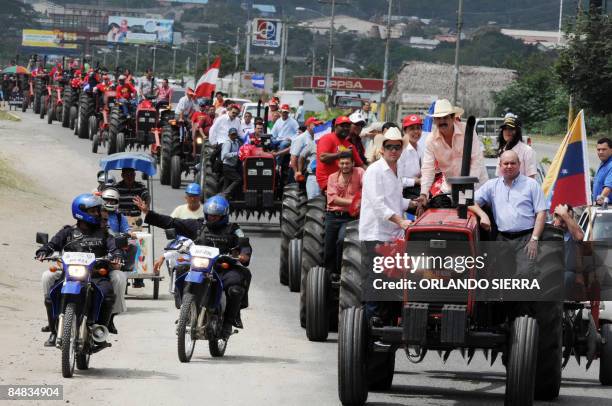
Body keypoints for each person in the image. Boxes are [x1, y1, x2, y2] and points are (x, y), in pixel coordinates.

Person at [134, 195, 252, 338]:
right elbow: (172, 222)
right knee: (181, 270)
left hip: (223, 268)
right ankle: (185, 311)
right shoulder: (198, 225)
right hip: (200, 265)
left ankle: (228, 322)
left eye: (216, 216)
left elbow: (244, 244)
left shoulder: (234, 229)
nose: (212, 218)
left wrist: (244, 254)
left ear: (224, 215)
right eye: (210, 215)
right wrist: (148, 212)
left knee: (235, 287)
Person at [35, 194, 122, 346]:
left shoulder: (104, 233)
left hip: (95, 274)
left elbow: (114, 247)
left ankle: (100, 331)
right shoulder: (68, 232)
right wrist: (43, 251)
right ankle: (54, 330)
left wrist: (117, 255)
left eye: (98, 211)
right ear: (82, 212)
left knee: (107, 295)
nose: (98, 214)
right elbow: (52, 244)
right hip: (69, 274)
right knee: (51, 296)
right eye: (94, 211)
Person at [359, 127, 414, 324]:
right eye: (389, 147)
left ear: (401, 150)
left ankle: (388, 321)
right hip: (376, 233)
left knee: (393, 281)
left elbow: (396, 201)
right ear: (382, 149)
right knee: (377, 280)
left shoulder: (397, 170)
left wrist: (414, 204)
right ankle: (369, 325)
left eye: (397, 147)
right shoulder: (374, 171)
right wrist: (401, 221)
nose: (393, 150)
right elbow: (379, 205)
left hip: (393, 234)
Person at [469, 150, 547, 263]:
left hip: (526, 238)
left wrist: (534, 239)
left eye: (513, 163)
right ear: (500, 166)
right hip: (502, 239)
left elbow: (541, 212)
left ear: (519, 164)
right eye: (505, 163)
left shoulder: (531, 184)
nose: (509, 166)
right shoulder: (492, 185)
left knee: (525, 274)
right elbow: (470, 201)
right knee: (502, 275)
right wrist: (483, 215)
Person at [417, 99, 488, 207]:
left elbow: (476, 161)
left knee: (482, 220)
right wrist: (423, 194)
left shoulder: (467, 130)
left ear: (453, 117)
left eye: (445, 117)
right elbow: (428, 169)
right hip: (450, 191)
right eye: (438, 118)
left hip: (476, 188)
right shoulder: (431, 140)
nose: (442, 121)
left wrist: (466, 188)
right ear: (435, 121)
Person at [324, 151, 364, 274]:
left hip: (350, 217)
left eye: (347, 163)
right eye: (342, 163)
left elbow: (367, 191)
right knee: (328, 247)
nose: (344, 166)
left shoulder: (360, 173)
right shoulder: (332, 177)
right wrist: (355, 201)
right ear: (338, 164)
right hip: (333, 216)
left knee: (342, 240)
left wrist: (360, 201)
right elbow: (334, 199)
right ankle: (329, 275)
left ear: (353, 163)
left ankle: (342, 272)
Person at [99, 188, 129, 319]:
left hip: (112, 250)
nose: (104, 223)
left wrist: (117, 255)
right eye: (101, 220)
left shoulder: (119, 217)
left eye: (106, 221)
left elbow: (125, 232)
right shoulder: (72, 230)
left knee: (118, 276)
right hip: (89, 258)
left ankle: (110, 316)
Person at [316, 116, 364, 191]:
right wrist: (342, 154)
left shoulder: (350, 145)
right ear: (335, 126)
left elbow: (361, 165)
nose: (346, 128)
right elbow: (323, 157)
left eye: (348, 126)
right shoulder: (327, 138)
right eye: (343, 126)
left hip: (344, 182)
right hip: (327, 182)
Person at [552, 204, 585, 295]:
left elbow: (579, 237)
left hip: (567, 273)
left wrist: (565, 215)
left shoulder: (574, 230)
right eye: (562, 220)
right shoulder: (547, 229)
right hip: (548, 272)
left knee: (568, 276)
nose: (565, 224)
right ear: (555, 217)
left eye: (568, 219)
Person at [398, 114, 424, 198]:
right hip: (405, 192)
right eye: (412, 129)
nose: (416, 132)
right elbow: (397, 180)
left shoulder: (421, 149)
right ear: (404, 131)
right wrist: (415, 181)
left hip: (419, 189)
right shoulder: (401, 151)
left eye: (418, 128)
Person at [220, 128, 243, 199]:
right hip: (227, 166)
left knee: (226, 183)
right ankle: (225, 193)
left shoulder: (236, 142)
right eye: (232, 134)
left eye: (235, 134)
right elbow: (224, 155)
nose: (233, 136)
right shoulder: (227, 143)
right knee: (238, 179)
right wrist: (236, 153)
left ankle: (223, 198)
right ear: (229, 135)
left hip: (233, 166)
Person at [593, 137, 612, 205]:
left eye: (604, 149)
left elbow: (608, 187)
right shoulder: (603, 163)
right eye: (599, 149)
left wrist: (601, 198)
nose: (601, 152)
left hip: (607, 208)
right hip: (599, 205)